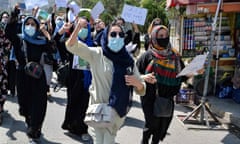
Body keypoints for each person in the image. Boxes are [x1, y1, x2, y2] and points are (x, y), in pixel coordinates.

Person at [65, 17, 146, 144]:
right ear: (106, 36)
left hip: (116, 113)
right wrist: (77, 28)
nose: (117, 37)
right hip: (98, 110)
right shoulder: (97, 54)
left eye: (120, 35)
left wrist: (138, 83)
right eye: (113, 34)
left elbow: (142, 89)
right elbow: (71, 46)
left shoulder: (128, 60)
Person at [5, 6, 55, 142]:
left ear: (37, 27)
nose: (30, 26)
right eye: (27, 24)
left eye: (33, 24)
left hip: (38, 77)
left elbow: (53, 50)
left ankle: (34, 129)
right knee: (25, 105)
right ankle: (30, 123)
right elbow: (8, 31)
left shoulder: (41, 40)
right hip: (22, 76)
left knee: (39, 105)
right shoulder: (19, 39)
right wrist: (15, 13)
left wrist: (46, 34)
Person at [136, 25, 187, 144]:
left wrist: (194, 72)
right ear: (154, 37)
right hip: (149, 97)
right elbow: (134, 74)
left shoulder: (175, 56)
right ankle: (144, 141)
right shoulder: (147, 56)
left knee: (161, 127)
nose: (164, 38)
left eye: (166, 35)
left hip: (167, 98)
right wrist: (144, 77)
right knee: (150, 124)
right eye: (160, 36)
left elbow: (183, 76)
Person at [60, 17, 93, 141]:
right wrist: (75, 29)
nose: (83, 30)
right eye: (81, 27)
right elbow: (61, 43)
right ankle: (70, 124)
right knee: (72, 102)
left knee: (84, 104)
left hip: (87, 79)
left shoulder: (92, 44)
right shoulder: (71, 42)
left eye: (85, 27)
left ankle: (82, 129)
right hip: (73, 78)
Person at [0, 22, 11, 125]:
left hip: (1, 66)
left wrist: (4, 59)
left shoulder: (2, 33)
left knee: (2, 88)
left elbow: (8, 45)